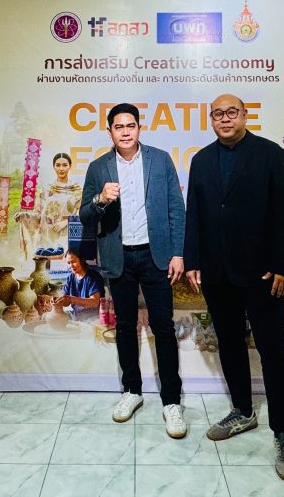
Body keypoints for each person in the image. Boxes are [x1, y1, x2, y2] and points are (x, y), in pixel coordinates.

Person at [183, 94, 284, 482]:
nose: (225, 119)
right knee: (230, 343)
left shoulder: (270, 155)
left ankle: (283, 433)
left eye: (231, 112)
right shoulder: (201, 160)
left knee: (273, 350)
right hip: (217, 273)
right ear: (211, 119)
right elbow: (195, 214)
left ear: (245, 115)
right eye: (217, 114)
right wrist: (193, 260)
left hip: (263, 274)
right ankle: (243, 411)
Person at [79, 103, 187, 438]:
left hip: (156, 257)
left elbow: (176, 209)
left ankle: (172, 401)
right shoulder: (99, 167)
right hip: (119, 259)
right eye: (119, 127)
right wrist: (100, 199)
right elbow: (84, 216)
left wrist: (178, 253)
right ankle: (132, 391)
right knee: (125, 327)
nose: (125, 132)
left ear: (139, 128)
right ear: (109, 131)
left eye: (131, 126)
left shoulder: (160, 160)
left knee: (163, 328)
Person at [16, 152, 82, 259]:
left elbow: (83, 213)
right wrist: (25, 216)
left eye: (65, 165)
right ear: (54, 166)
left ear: (70, 166)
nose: (61, 169)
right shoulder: (46, 189)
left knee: (68, 264)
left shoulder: (77, 190)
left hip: (68, 235)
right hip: (48, 237)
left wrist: (67, 222)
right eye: (58, 165)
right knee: (48, 266)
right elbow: (39, 214)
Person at [54, 249, 103, 317]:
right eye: (68, 263)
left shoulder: (93, 277)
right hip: (76, 315)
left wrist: (71, 299)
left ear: (82, 260)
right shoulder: (70, 278)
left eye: (73, 262)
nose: (71, 266)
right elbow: (65, 302)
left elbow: (95, 303)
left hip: (93, 317)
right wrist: (56, 300)